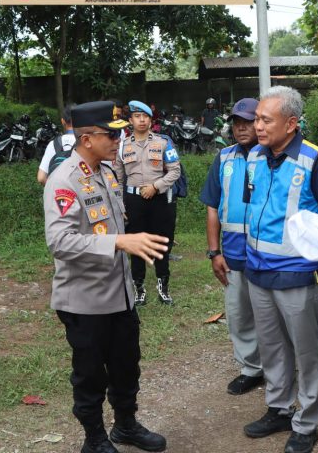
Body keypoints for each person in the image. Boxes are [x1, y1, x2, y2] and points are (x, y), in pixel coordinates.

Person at [44, 100, 169, 453]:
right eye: (110, 135)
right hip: (85, 300)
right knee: (90, 375)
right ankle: (94, 438)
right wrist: (118, 241)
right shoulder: (64, 180)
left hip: (119, 294)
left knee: (126, 366)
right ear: (86, 139)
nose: (118, 140)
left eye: (119, 134)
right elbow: (60, 241)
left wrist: (121, 236)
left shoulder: (107, 172)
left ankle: (126, 426)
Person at [242, 86, 318, 453]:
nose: (258, 126)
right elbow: (253, 209)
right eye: (256, 119)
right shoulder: (254, 156)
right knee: (271, 347)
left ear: (291, 123)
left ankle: (307, 422)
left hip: (297, 275)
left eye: (265, 120)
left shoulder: (316, 160)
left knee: (306, 351)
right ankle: (279, 409)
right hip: (258, 272)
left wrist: (309, 255)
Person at [199, 98, 264, 396]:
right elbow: (212, 207)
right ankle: (251, 368)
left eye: (248, 121)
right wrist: (215, 252)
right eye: (237, 122)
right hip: (234, 252)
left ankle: (279, 367)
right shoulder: (224, 158)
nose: (241, 127)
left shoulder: (272, 157)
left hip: (268, 253)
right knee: (239, 314)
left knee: (272, 314)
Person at [113, 100, 181, 305]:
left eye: (146, 117)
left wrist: (156, 186)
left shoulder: (163, 142)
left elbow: (175, 171)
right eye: (137, 117)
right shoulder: (123, 145)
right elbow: (117, 178)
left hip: (159, 199)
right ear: (131, 120)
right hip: (133, 201)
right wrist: (120, 204)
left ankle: (163, 288)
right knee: (136, 245)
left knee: (161, 243)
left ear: (151, 121)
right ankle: (139, 289)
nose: (142, 120)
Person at [37, 104, 75, 185]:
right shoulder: (87, 142)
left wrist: (54, 188)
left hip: (59, 194)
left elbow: (41, 178)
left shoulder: (54, 144)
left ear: (62, 121)